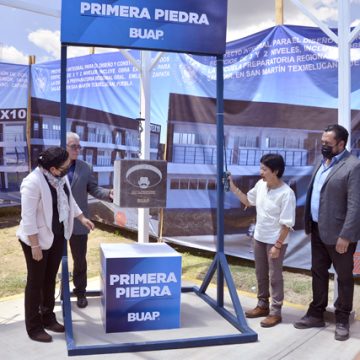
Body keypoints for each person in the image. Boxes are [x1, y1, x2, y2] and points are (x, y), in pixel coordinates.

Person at [16, 147, 95, 343]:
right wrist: (35, 246)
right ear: (53, 169)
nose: (68, 168)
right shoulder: (32, 183)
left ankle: (48, 317)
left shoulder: (60, 178)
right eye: (65, 166)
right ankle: (34, 327)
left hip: (57, 236)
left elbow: (69, 200)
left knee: (49, 278)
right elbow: (28, 219)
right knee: (35, 282)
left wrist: (82, 218)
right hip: (36, 240)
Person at [294, 124, 360, 341]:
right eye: (322, 142)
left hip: (340, 235)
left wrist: (347, 235)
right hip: (318, 230)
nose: (323, 146)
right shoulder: (323, 162)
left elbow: (355, 205)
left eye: (327, 143)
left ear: (341, 144)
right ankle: (316, 313)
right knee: (318, 272)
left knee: (343, 277)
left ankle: (342, 319)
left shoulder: (353, 166)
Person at [229, 153, 296, 328]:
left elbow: (287, 224)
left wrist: (277, 245)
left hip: (276, 241)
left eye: (264, 169)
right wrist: (232, 186)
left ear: (276, 171)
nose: (261, 172)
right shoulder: (260, 185)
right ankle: (262, 305)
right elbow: (247, 201)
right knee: (260, 273)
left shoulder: (287, 194)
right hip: (259, 238)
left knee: (275, 276)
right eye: (261, 168)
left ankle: (275, 312)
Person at [66, 132, 113, 308]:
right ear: (64, 147)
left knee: (79, 260)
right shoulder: (52, 166)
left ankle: (80, 292)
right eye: (73, 146)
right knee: (53, 261)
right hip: (56, 223)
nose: (77, 150)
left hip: (80, 222)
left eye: (79, 146)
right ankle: (48, 297)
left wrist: (109, 194)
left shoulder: (85, 167)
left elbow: (93, 188)